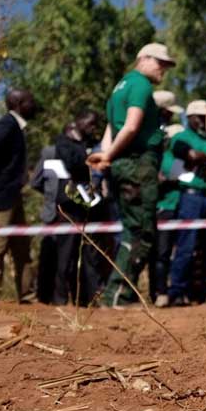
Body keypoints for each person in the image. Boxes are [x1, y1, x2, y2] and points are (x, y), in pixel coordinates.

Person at [87, 43, 176, 307]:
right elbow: (131, 125)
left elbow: (110, 130)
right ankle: (119, 296)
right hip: (138, 165)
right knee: (141, 233)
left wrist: (105, 156)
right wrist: (108, 156)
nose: (163, 69)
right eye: (160, 63)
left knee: (131, 230)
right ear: (144, 59)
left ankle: (118, 295)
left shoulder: (120, 87)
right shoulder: (140, 85)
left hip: (123, 165)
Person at [31, 110, 107, 305]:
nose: (92, 128)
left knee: (87, 257)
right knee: (64, 256)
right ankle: (59, 300)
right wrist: (89, 159)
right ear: (78, 122)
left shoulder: (88, 144)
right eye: (90, 123)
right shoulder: (62, 144)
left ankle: (87, 300)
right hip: (68, 207)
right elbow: (72, 163)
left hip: (87, 208)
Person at [167, 100, 206, 305]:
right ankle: (177, 292)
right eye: (202, 118)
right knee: (186, 246)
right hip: (191, 197)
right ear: (191, 118)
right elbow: (189, 154)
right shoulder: (182, 137)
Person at [0, 88, 38, 302]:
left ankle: (28, 295)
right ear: (19, 103)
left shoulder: (16, 127)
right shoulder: (7, 125)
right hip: (2, 197)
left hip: (14, 196)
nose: (34, 104)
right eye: (30, 101)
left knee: (22, 245)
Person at [151, 123, 184, 307]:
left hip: (182, 209)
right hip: (164, 210)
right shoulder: (160, 158)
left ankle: (178, 292)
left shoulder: (180, 158)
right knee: (162, 253)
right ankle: (160, 292)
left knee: (182, 253)